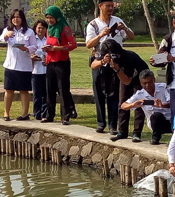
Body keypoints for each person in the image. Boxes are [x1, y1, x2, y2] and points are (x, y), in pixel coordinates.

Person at [86, 0, 135, 134]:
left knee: (114, 94)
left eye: (112, 6)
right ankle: (101, 123)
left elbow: (132, 37)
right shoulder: (93, 25)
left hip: (116, 62)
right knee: (99, 94)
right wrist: (101, 35)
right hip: (100, 61)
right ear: (100, 6)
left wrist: (124, 28)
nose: (110, 9)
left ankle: (113, 125)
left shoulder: (118, 20)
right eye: (107, 6)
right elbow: (89, 44)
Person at [93, 39, 148, 142]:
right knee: (122, 102)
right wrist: (102, 61)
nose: (112, 57)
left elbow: (127, 81)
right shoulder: (106, 55)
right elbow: (93, 65)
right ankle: (122, 132)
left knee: (138, 104)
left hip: (139, 76)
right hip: (124, 75)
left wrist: (117, 69)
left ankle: (136, 133)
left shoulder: (128, 57)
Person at [0, 9, 37, 121]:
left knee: (24, 91)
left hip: (24, 66)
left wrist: (26, 49)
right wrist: (6, 35)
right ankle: (6, 113)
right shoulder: (8, 30)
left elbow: (34, 46)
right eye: (14, 17)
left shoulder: (29, 32)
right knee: (8, 90)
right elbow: (1, 39)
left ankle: (25, 114)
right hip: (10, 65)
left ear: (22, 19)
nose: (16, 19)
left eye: (18, 17)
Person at [43, 6, 77, 125]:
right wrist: (46, 51)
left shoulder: (64, 28)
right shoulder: (49, 29)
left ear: (57, 17)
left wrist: (60, 48)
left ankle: (65, 116)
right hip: (51, 62)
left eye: (51, 18)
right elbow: (49, 44)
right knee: (49, 89)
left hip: (62, 62)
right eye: (47, 18)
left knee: (63, 89)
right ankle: (49, 115)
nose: (49, 20)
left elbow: (73, 44)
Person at [121, 70, 171, 145]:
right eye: (144, 83)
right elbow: (123, 106)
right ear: (140, 83)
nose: (147, 85)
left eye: (149, 82)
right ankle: (155, 138)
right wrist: (133, 104)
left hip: (170, 121)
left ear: (154, 80)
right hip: (155, 123)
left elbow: (174, 103)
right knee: (156, 115)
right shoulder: (140, 94)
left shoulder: (163, 87)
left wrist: (162, 105)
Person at [31, 19, 48, 121]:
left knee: (46, 94)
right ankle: (37, 114)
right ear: (35, 29)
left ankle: (45, 114)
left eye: (43, 28)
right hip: (35, 70)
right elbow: (28, 52)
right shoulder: (32, 39)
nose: (41, 30)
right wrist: (32, 56)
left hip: (46, 70)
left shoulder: (48, 40)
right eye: (39, 28)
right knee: (37, 94)